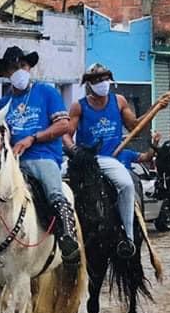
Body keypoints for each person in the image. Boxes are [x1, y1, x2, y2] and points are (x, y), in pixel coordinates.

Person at [0, 46, 79, 264]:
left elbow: (64, 125)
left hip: (43, 157)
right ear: (7, 74)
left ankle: (68, 237)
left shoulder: (47, 92)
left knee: (54, 192)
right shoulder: (2, 104)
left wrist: (32, 139)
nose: (19, 70)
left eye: (23, 65)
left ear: (29, 68)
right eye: (13, 67)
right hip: (11, 163)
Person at [63, 63, 158, 259]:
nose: (102, 83)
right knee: (57, 185)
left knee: (126, 185)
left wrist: (155, 108)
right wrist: (74, 151)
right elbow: (66, 135)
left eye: (105, 79)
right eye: (97, 80)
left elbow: (134, 126)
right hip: (87, 159)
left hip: (110, 159)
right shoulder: (78, 106)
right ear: (89, 84)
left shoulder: (120, 101)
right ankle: (63, 236)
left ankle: (129, 238)